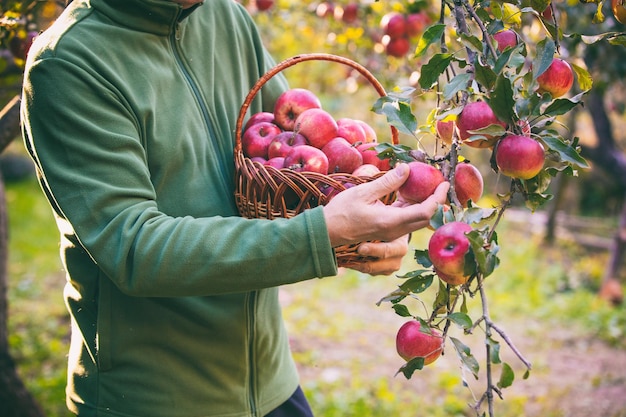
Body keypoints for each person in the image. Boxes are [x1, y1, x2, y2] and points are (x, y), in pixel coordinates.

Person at [20, 0, 449, 416]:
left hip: (270, 381)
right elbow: (134, 247)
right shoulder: (69, 64)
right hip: (156, 399)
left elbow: (297, 151)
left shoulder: (225, 17)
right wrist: (323, 233)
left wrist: (373, 218)